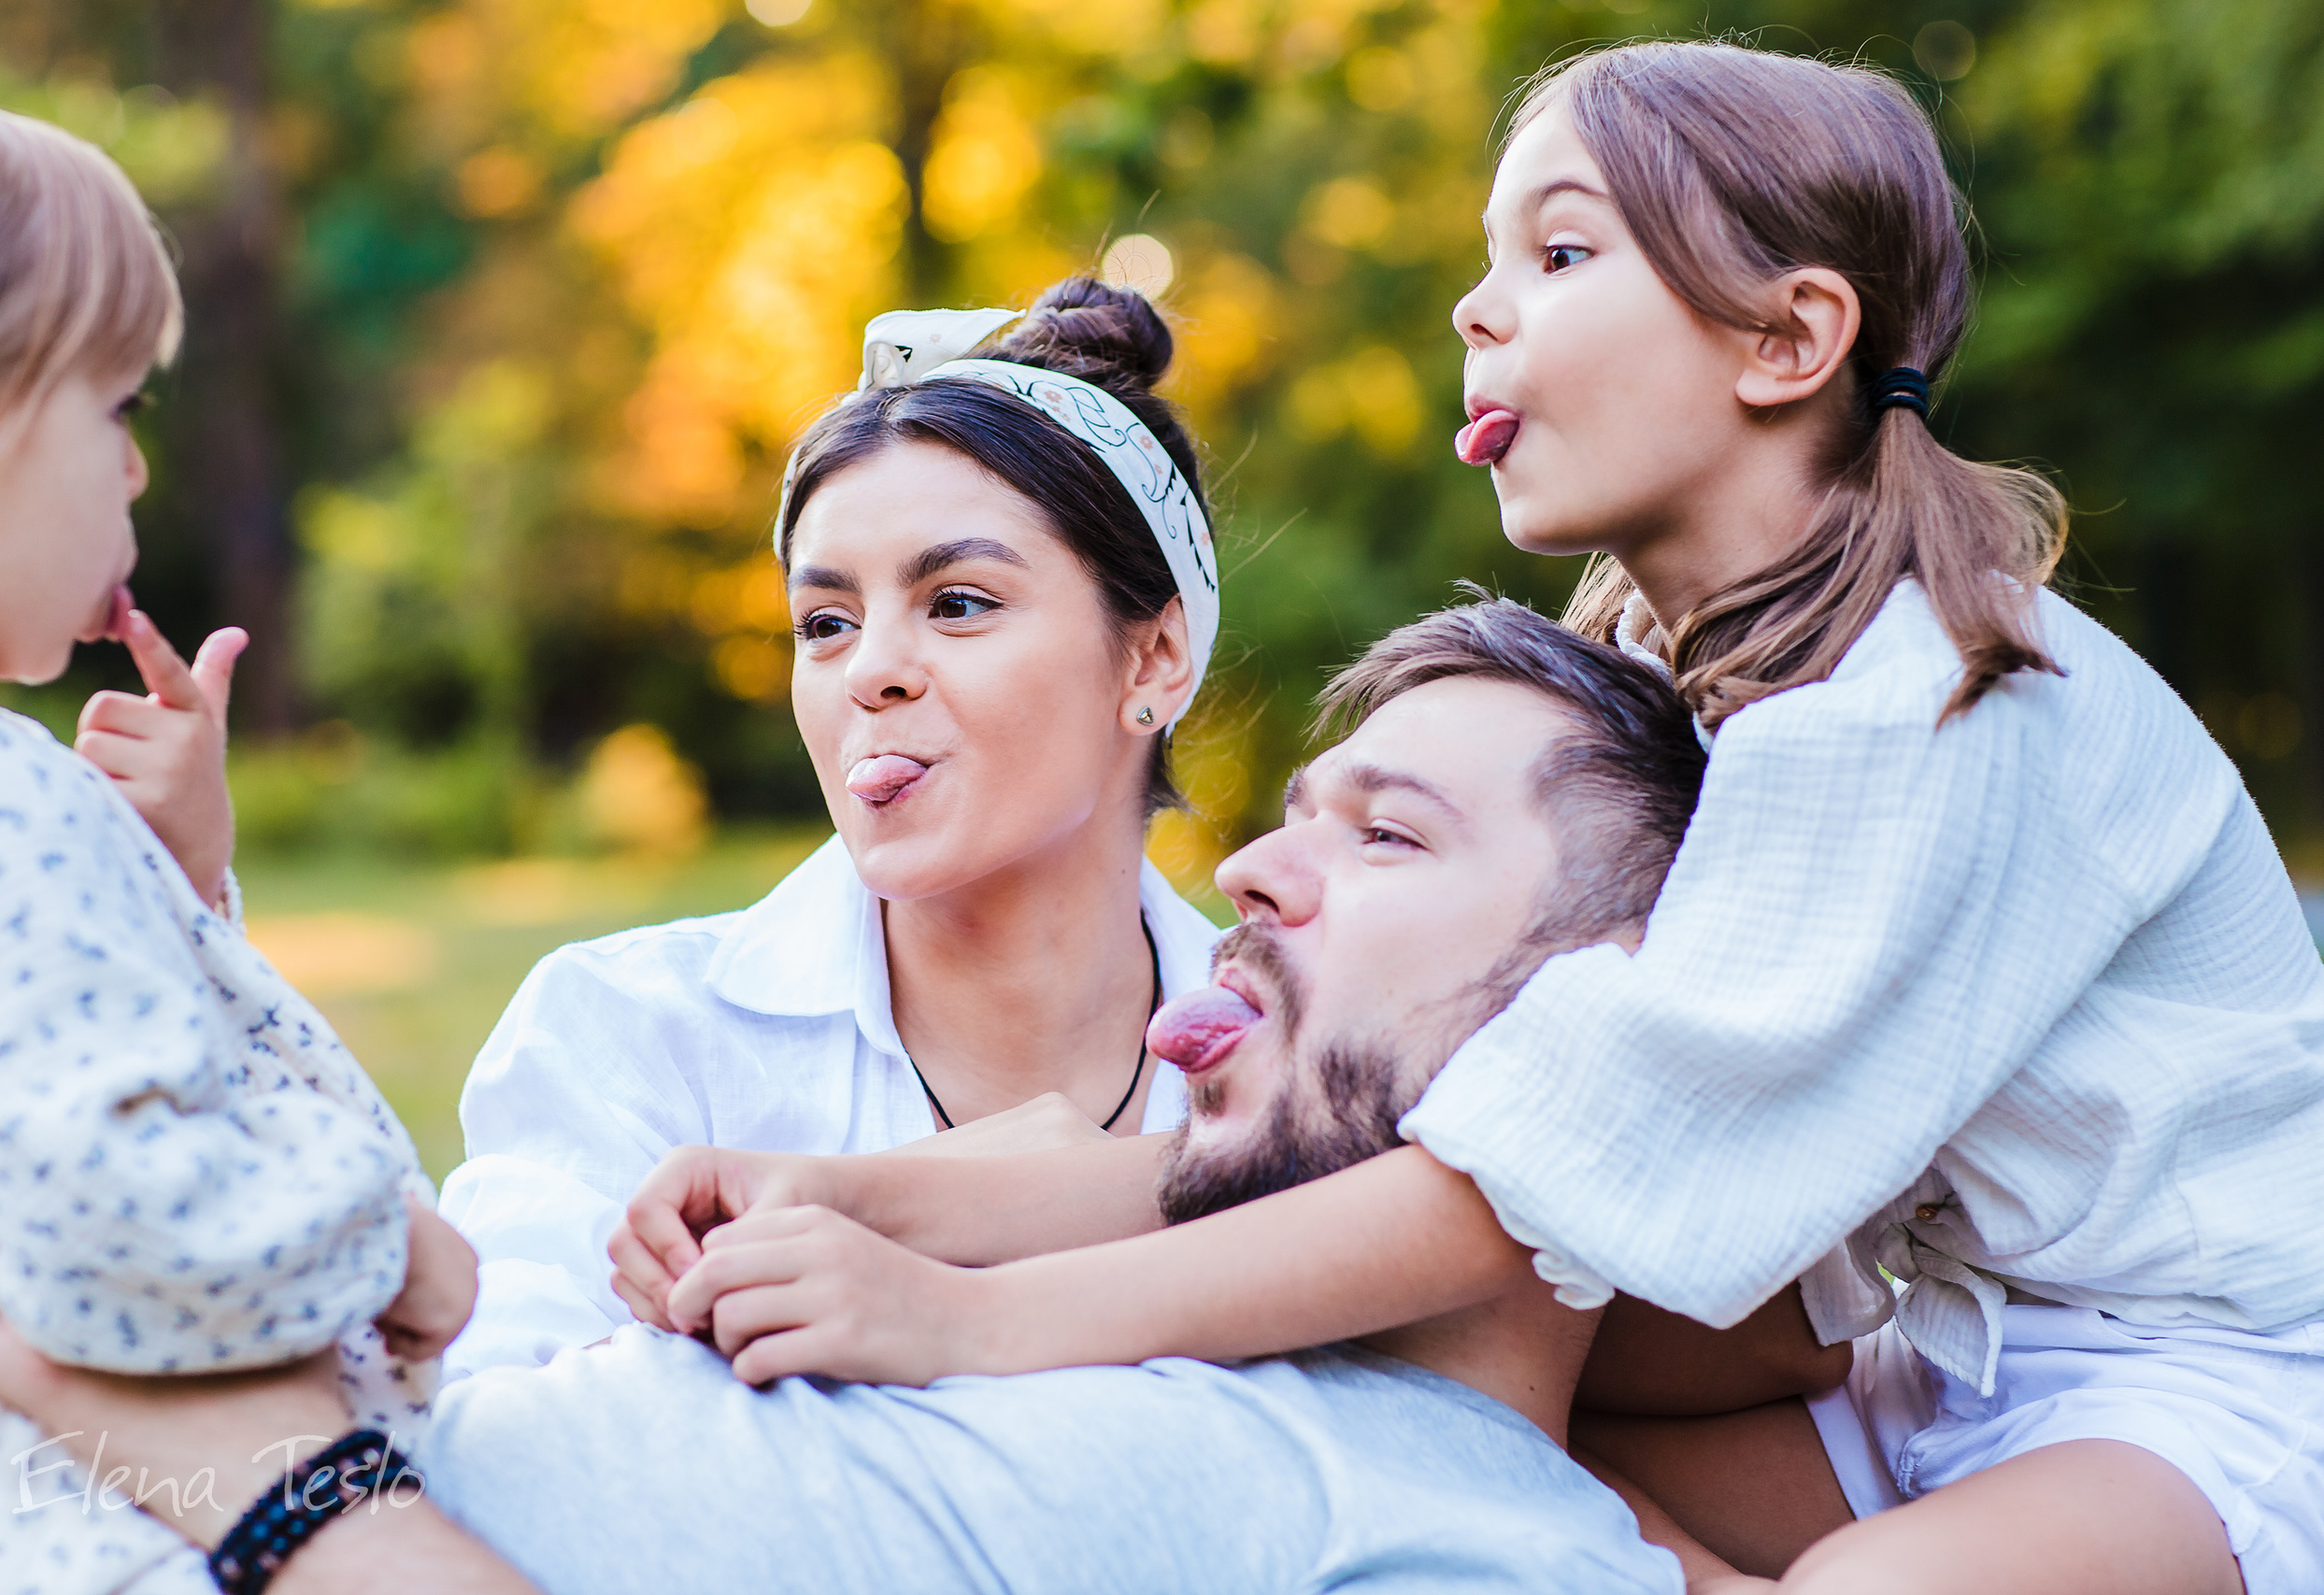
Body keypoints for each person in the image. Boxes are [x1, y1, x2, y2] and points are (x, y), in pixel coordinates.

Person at [612, 40, 2324, 1595]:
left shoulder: (1938, 699)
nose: (1477, 310)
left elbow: (1502, 1193)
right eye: (1493, 258)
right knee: (1473, 1412)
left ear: (1790, 339)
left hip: (2196, 1376)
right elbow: (1415, 1165)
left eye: (1562, 254)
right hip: (1928, 1360)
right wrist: (854, 1193)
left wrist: (975, 1323)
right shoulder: (1663, 653)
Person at [0, 599, 1703, 1594]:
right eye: (1296, 811)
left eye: (1387, 834)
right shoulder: (1122, 1299)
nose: (1247, 869)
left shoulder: (1478, 1544)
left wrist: (275, 1485)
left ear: (1614, 1026)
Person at [435, 279, 1228, 1378]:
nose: (870, 672)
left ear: (1153, 659)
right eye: (825, 624)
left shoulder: (1309, 1054)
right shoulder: (627, 1037)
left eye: (957, 602)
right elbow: (483, 1435)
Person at [0, 87, 477, 1595]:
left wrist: (167, 889)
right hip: (135, 1531)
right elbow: (130, 1220)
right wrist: (393, 1235)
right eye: (116, 411)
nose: (137, 471)